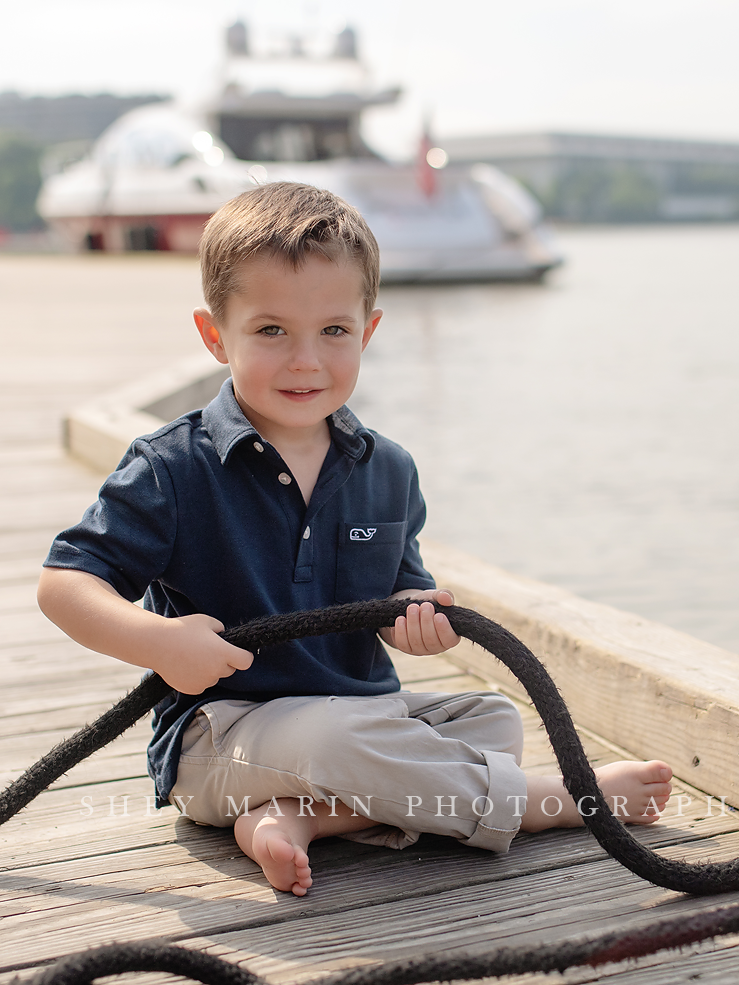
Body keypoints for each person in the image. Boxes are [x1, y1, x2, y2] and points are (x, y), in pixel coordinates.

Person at [38, 182, 672, 897]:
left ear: (367, 331)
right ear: (216, 335)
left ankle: (299, 817)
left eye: (333, 332)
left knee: (489, 718)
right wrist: (158, 643)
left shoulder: (389, 468)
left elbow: (398, 591)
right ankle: (546, 803)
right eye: (271, 331)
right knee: (338, 742)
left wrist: (416, 619)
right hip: (223, 736)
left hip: (358, 717)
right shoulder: (172, 467)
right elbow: (65, 584)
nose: (306, 360)